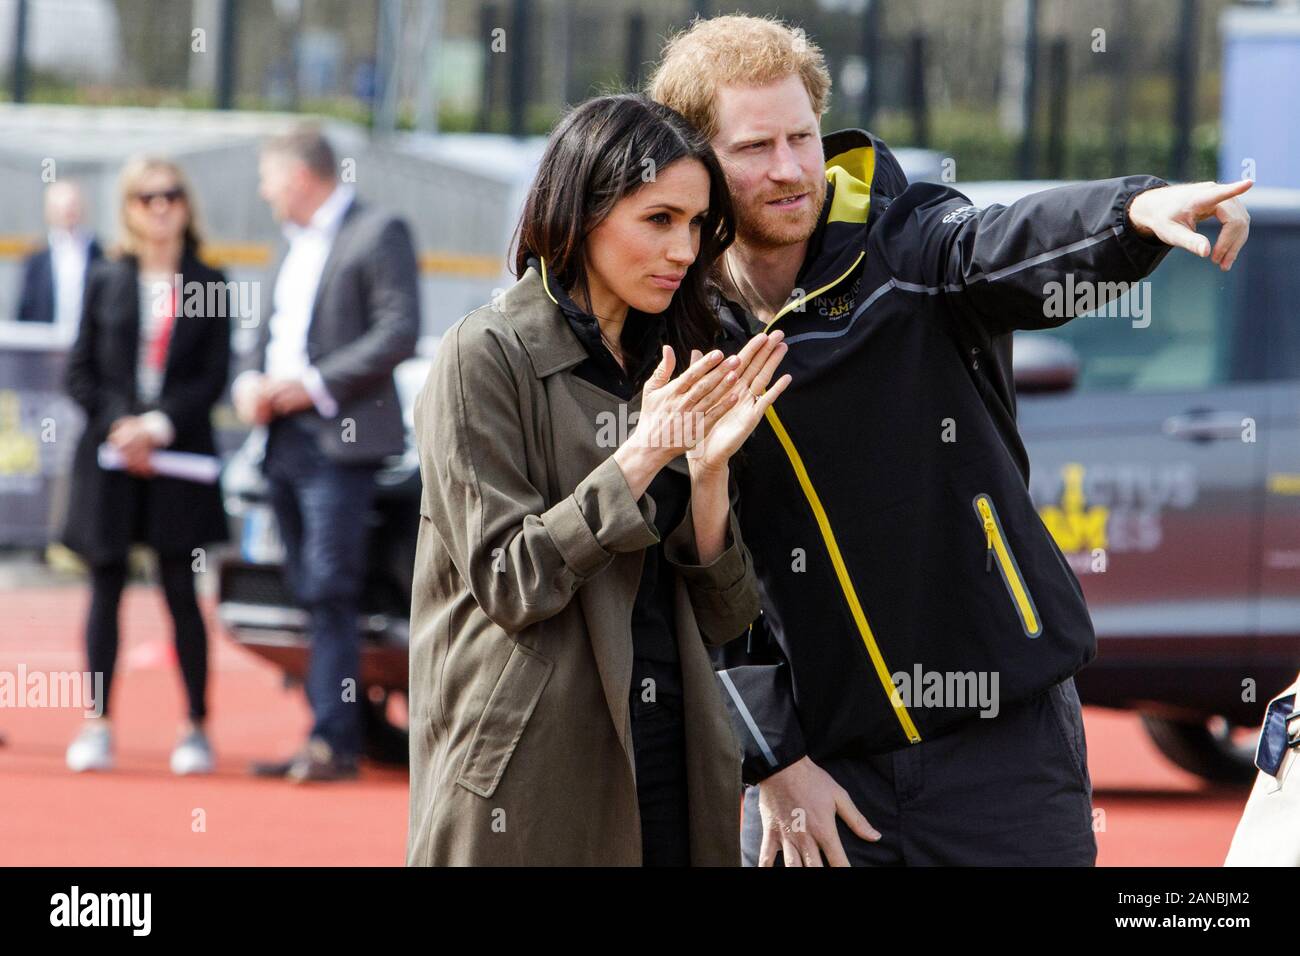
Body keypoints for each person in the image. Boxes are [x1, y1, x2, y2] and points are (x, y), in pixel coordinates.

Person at [647, 14, 1252, 866]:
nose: (788, 169)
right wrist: (772, 758)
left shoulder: (910, 249)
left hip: (1006, 760)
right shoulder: (679, 332)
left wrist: (1134, 213)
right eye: (754, 149)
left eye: (801, 137)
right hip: (819, 778)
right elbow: (684, 575)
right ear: (699, 163)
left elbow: (1007, 245)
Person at [406, 94, 789, 866]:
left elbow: (725, 615)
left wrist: (708, 475)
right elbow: (513, 580)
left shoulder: (675, 360)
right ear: (581, 213)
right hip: (532, 775)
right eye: (658, 219)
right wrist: (641, 455)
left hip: (676, 752)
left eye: (695, 225)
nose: (683, 249)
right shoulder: (483, 355)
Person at [236, 126, 420, 783]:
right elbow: (267, 336)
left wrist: (310, 387)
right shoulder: (287, 248)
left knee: (333, 589)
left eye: (268, 177)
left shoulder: (379, 231)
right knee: (309, 591)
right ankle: (332, 730)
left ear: (300, 176)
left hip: (341, 445)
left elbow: (399, 329)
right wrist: (251, 384)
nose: (263, 191)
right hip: (281, 441)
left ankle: (332, 740)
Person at [62, 157, 231, 775]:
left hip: (179, 460)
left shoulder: (211, 279)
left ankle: (194, 727)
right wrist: (122, 425)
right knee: (104, 590)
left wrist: (158, 425)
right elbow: (79, 372)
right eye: (145, 197)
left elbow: (212, 377)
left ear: (186, 205)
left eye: (171, 195)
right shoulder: (105, 276)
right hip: (110, 463)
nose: (159, 207)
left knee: (182, 594)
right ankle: (97, 724)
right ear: (128, 208)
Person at [17, 181, 102, 332]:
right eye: (61, 207)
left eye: (72, 205)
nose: (67, 212)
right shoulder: (36, 258)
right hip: (45, 341)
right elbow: (25, 307)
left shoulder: (98, 252)